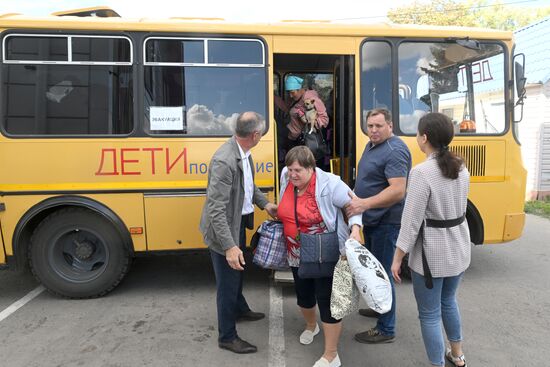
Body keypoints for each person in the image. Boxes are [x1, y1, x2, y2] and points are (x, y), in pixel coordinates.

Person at [391, 112, 470, 367]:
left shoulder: (422, 172)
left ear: (424, 138)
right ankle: (457, 356)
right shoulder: (461, 166)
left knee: (429, 314)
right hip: (458, 246)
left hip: (432, 254)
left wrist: (397, 257)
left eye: (417, 133)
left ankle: (437, 363)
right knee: (449, 301)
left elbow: (411, 222)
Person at [199, 111, 278, 354]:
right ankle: (227, 336)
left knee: (239, 273)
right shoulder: (225, 161)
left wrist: (266, 204)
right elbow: (215, 210)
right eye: (261, 134)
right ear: (255, 135)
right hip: (224, 231)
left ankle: (240, 309)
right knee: (227, 283)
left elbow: (250, 187)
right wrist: (229, 246)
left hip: (237, 223)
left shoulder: (244, 153)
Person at [277, 146, 362, 367]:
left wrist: (355, 229)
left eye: (297, 170)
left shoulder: (329, 183)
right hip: (296, 252)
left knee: (327, 301)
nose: (292, 174)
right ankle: (311, 325)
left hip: (326, 252)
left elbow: (354, 204)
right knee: (303, 296)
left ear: (311, 168)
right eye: (289, 169)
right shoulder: (286, 178)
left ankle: (331, 354)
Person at [345, 108, 411, 344]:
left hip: (386, 223)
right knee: (373, 272)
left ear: (390, 126)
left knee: (382, 275)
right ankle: (380, 307)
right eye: (370, 126)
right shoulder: (372, 145)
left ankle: (386, 328)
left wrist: (364, 204)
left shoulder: (395, 150)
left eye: (378, 126)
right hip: (371, 221)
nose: (373, 130)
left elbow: (397, 190)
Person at [285, 76, 329, 169]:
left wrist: (305, 118)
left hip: (305, 142)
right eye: (289, 93)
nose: (290, 96)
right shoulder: (296, 100)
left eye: (292, 92)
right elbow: (287, 109)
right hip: (295, 139)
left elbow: (324, 120)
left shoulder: (310, 98)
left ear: (300, 89)